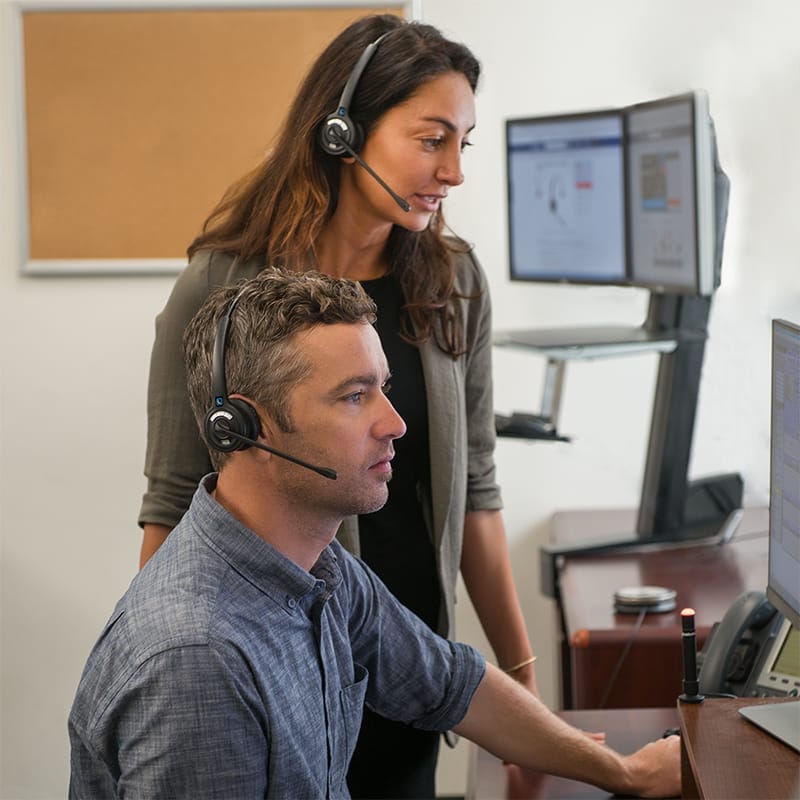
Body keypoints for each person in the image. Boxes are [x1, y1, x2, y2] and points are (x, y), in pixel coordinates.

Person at [71, 269, 680, 799]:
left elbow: (451, 683)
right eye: (354, 396)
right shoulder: (199, 660)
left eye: (382, 388)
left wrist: (625, 772)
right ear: (247, 428)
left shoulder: (319, 569)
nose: (395, 423)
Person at [138, 14, 538, 797]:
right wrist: (163, 664)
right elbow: (169, 503)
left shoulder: (452, 282)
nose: (454, 171)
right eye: (432, 140)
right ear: (342, 132)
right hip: (281, 668)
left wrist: (522, 689)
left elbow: (477, 491)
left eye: (465, 143)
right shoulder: (220, 289)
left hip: (413, 662)